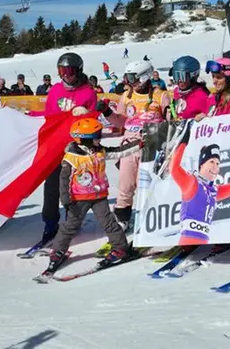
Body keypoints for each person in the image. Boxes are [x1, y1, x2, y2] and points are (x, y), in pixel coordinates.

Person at [43, 119, 141, 275]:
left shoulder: (99, 150)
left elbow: (119, 151)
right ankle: (58, 251)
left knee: (109, 223)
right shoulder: (71, 157)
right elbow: (64, 180)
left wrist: (138, 145)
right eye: (96, 136)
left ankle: (120, 248)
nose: (99, 139)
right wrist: (66, 200)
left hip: (99, 196)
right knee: (70, 227)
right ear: (83, 139)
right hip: (79, 199)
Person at [29, 53, 98, 246]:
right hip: (55, 146)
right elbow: (50, 116)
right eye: (61, 71)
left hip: (75, 148)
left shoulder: (88, 92)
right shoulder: (56, 90)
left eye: (69, 71)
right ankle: (50, 223)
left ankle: (72, 221)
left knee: (72, 187)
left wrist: (87, 115)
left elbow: (94, 121)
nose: (65, 76)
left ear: (78, 71)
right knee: (51, 186)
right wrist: (32, 116)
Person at [97, 60, 170, 230]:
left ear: (144, 76)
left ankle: (151, 221)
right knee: (125, 184)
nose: (130, 83)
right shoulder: (127, 96)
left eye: (133, 78)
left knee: (147, 185)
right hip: (129, 144)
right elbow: (121, 121)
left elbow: (170, 121)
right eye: (128, 78)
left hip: (152, 145)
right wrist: (107, 112)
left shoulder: (161, 95)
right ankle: (122, 219)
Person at [168, 122, 230, 246]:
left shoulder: (213, 190)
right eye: (211, 161)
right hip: (188, 243)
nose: (215, 167)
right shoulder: (192, 182)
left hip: (203, 243)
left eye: (217, 163)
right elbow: (174, 169)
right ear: (201, 164)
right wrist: (183, 142)